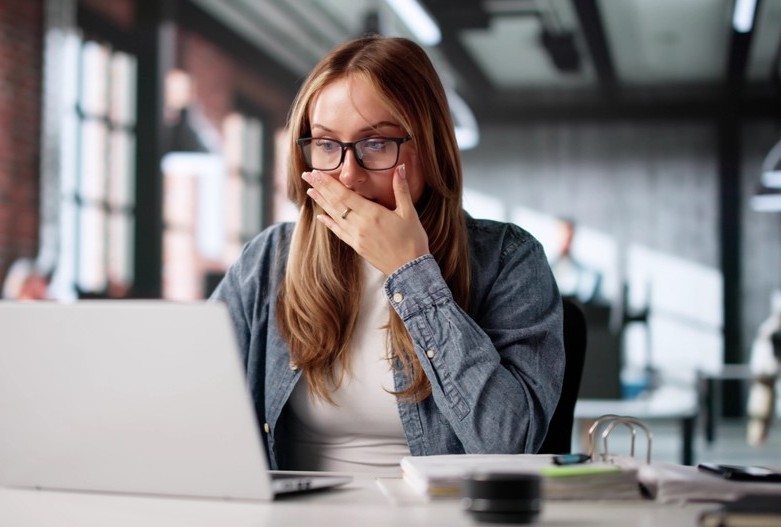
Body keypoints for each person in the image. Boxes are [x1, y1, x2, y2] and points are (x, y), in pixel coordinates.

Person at [209, 35, 564, 475]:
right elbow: (192, 409)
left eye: (375, 144)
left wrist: (411, 274)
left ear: (429, 147)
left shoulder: (509, 259)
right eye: (325, 144)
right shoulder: (268, 260)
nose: (348, 174)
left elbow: (511, 442)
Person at [747, 290, 781, 445]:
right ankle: (757, 438)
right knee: (761, 404)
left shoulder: (770, 327)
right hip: (765, 371)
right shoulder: (771, 329)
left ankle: (758, 437)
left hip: (766, 371)